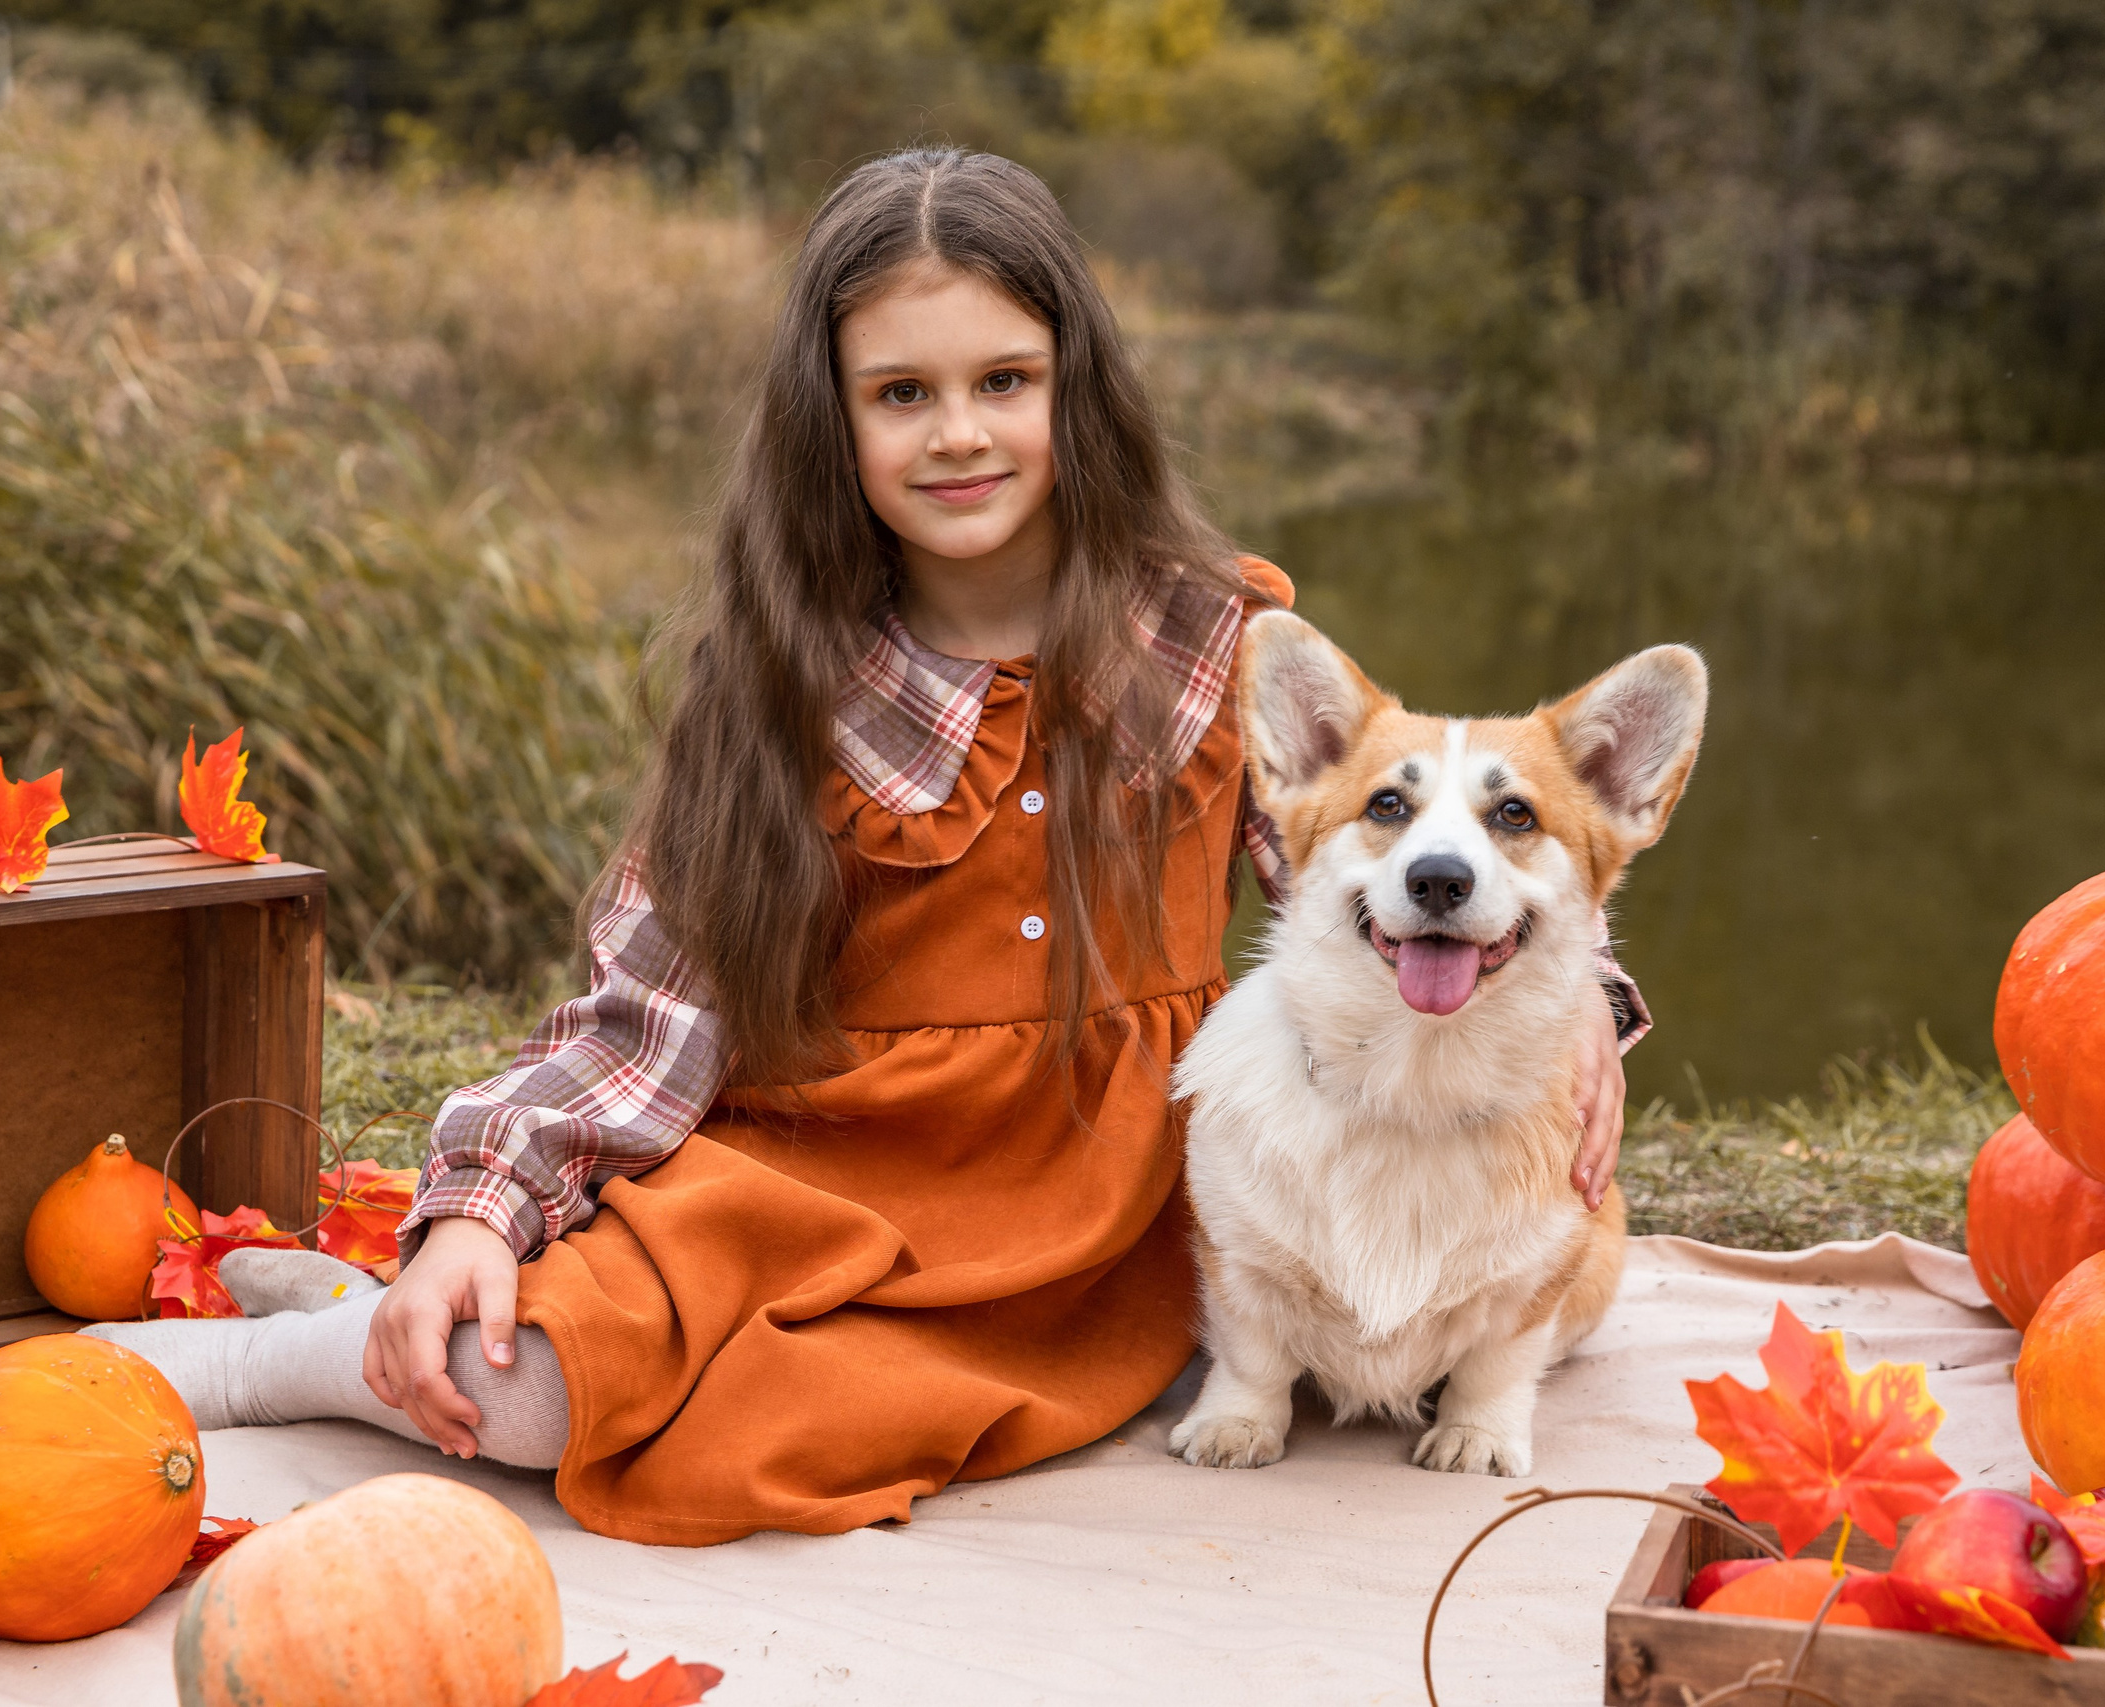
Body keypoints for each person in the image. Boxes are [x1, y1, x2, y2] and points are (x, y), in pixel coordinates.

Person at [89, 148, 1646, 1547]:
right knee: (525, 1391)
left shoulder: (1214, 636)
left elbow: (1393, 883)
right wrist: (485, 1203)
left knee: (776, 1421)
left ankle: (346, 1320)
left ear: (1075, 391)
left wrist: (1585, 1029)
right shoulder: (785, 690)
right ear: (831, 421)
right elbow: (648, 1015)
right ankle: (276, 1353)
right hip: (823, 1185)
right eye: (901, 394)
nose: (959, 434)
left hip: (1099, 1230)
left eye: (1004, 382)